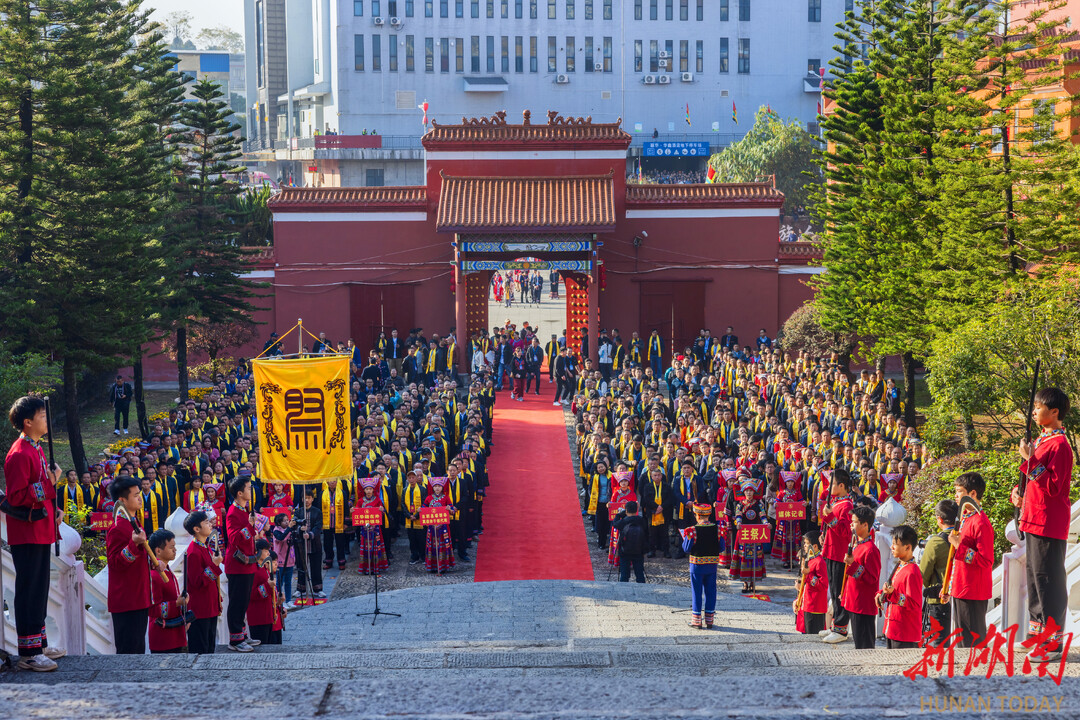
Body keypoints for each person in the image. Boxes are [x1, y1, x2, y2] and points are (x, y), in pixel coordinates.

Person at [4, 396, 63, 671]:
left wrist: (55, 509)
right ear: (28, 422)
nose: (46, 420)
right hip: (26, 532)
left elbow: (39, 489)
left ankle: (38, 643)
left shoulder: (35, 448)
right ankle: (28, 653)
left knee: (39, 588)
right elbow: (16, 497)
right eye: (42, 415)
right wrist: (50, 483)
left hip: (40, 529)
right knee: (29, 589)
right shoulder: (19, 453)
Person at [1014, 386, 1073, 662]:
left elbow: (1053, 485)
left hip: (1049, 521)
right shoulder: (1042, 440)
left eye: (1039, 407)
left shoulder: (1060, 445)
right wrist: (1020, 492)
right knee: (1035, 580)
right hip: (1034, 518)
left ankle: (1052, 642)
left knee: (1048, 581)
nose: (1034, 411)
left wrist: (1030, 459)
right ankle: (1038, 632)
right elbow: (1033, 480)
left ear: (1054, 412)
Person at [943, 471, 993, 649]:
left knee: (972, 643)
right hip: (962, 587)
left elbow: (986, 560)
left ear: (972, 494)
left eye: (959, 491)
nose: (956, 496)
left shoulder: (980, 522)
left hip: (973, 591)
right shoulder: (965, 518)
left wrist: (960, 547)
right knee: (963, 641)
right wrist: (949, 586)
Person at [106, 476, 157, 654]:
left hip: (139, 597)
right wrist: (133, 545)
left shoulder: (134, 524)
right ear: (122, 500)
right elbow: (114, 563)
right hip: (127, 601)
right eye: (135, 495)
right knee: (129, 651)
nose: (140, 498)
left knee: (138, 648)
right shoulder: (118, 528)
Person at [224, 475, 258, 652]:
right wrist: (250, 528)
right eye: (248, 488)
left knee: (244, 601)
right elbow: (234, 538)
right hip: (237, 565)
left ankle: (243, 635)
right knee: (237, 602)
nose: (251, 490)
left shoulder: (243, 510)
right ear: (239, 492)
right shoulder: (232, 512)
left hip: (247, 563)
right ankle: (235, 640)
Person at [819, 469, 854, 643]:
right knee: (833, 590)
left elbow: (845, 533)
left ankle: (841, 628)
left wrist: (829, 517)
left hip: (840, 553)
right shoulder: (837, 502)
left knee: (840, 591)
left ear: (841, 486)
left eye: (832, 484)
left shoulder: (846, 505)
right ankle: (835, 626)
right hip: (832, 551)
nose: (829, 487)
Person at [838, 505, 880, 649]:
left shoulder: (870, 550)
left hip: (863, 606)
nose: (851, 524)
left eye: (854, 521)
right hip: (855, 602)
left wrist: (853, 565)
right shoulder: (858, 545)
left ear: (865, 524)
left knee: (864, 645)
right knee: (858, 642)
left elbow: (872, 578)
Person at [183, 510, 223, 655]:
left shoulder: (204, 547)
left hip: (209, 606)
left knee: (210, 646)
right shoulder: (193, 551)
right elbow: (197, 582)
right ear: (196, 528)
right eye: (206, 522)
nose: (210, 524)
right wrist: (215, 565)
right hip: (200, 610)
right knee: (201, 649)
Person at [918, 499, 957, 646]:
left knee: (938, 641)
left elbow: (923, 573)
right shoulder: (963, 537)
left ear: (939, 519)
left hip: (938, 598)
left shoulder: (935, 542)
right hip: (959, 596)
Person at [878, 524, 922, 649]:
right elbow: (896, 590)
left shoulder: (912, 572)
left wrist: (892, 594)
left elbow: (914, 603)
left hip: (905, 633)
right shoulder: (901, 565)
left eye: (895, 544)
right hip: (894, 628)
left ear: (907, 547)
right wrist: (882, 593)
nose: (891, 547)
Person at [148, 529, 187, 654]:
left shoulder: (168, 571)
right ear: (158, 550)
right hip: (162, 638)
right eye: (171, 547)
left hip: (176, 634)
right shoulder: (154, 576)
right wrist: (177, 603)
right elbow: (153, 610)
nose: (175, 550)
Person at [682, 503, 720, 629]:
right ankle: (709, 620)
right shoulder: (718, 529)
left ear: (697, 515)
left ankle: (697, 620)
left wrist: (685, 540)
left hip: (697, 565)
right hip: (712, 565)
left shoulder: (692, 530)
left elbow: (687, 548)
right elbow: (722, 547)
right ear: (709, 514)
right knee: (711, 591)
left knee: (696, 592)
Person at [355, 477, 390, 574]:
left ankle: (376, 568)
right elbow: (357, 512)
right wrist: (352, 511)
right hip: (365, 529)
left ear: (373, 490)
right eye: (367, 489)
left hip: (375, 529)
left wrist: (382, 510)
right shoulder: (360, 501)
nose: (369, 491)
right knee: (366, 547)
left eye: (370, 489)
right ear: (364, 490)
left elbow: (382, 512)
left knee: (375, 547)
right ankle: (366, 568)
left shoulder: (377, 500)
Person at [247, 540, 278, 646]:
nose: (268, 553)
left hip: (267, 614)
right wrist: (267, 586)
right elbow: (250, 594)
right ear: (257, 552)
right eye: (265, 551)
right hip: (258, 616)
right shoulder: (252, 569)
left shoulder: (263, 567)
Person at [796, 530, 827, 635]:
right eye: (804, 543)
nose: (804, 546)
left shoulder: (820, 562)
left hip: (815, 606)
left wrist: (808, 575)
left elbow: (823, 585)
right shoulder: (810, 560)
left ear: (815, 547)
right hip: (807, 603)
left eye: (807, 543)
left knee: (813, 636)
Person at [423, 477, 456, 573]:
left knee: (443, 544)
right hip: (432, 526)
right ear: (432, 488)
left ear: (442, 487)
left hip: (443, 526)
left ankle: (444, 566)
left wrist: (450, 509)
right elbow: (424, 508)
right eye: (435, 486)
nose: (437, 488)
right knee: (432, 545)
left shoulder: (446, 497)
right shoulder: (429, 498)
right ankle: (433, 566)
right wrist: (420, 510)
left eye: (439, 486)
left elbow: (453, 510)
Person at [612, 500, 648, 583]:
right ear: (636, 510)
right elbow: (646, 534)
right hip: (639, 550)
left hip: (625, 551)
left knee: (624, 575)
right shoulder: (642, 520)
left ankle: (623, 591)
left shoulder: (624, 521)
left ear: (626, 510)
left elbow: (615, 524)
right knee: (639, 573)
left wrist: (619, 514)